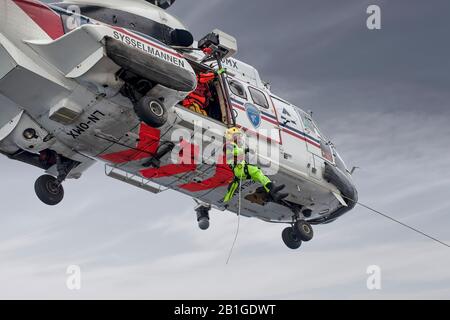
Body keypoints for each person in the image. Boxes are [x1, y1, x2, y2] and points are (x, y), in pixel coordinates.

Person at [223, 127, 288, 203]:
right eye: (237, 136)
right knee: (257, 171)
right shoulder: (229, 145)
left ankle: (275, 194)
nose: (239, 138)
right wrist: (246, 149)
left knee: (261, 176)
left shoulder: (233, 145)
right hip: (239, 169)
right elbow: (236, 152)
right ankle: (272, 189)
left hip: (240, 170)